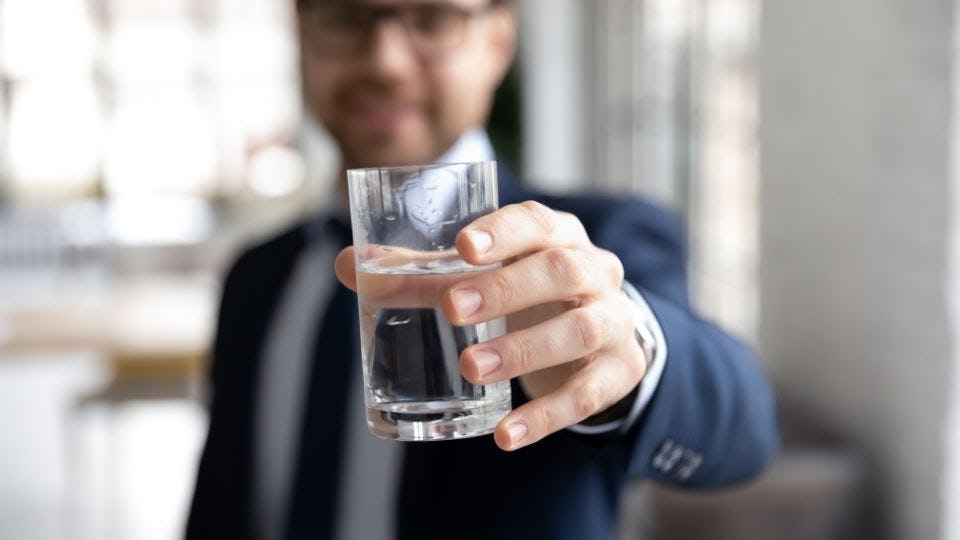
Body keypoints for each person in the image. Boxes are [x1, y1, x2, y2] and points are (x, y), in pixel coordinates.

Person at [186, 0, 779, 539]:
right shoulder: (255, 278)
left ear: (498, 40)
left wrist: (622, 347)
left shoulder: (596, 242)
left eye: (433, 17)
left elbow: (744, 427)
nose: (386, 61)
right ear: (301, 31)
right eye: (345, 16)